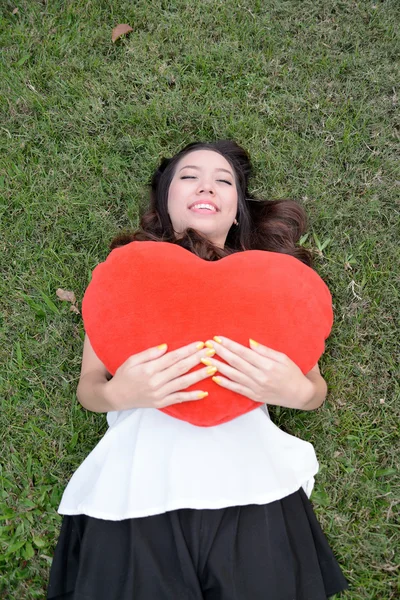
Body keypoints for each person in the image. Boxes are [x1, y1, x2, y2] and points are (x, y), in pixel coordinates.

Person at [47, 140, 348, 599]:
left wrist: (297, 391)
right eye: (188, 176)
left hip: (250, 482)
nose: (207, 184)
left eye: (224, 180)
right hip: (136, 483)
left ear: (236, 214)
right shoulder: (124, 276)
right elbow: (90, 387)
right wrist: (119, 395)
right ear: (165, 202)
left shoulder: (274, 283)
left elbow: (314, 389)